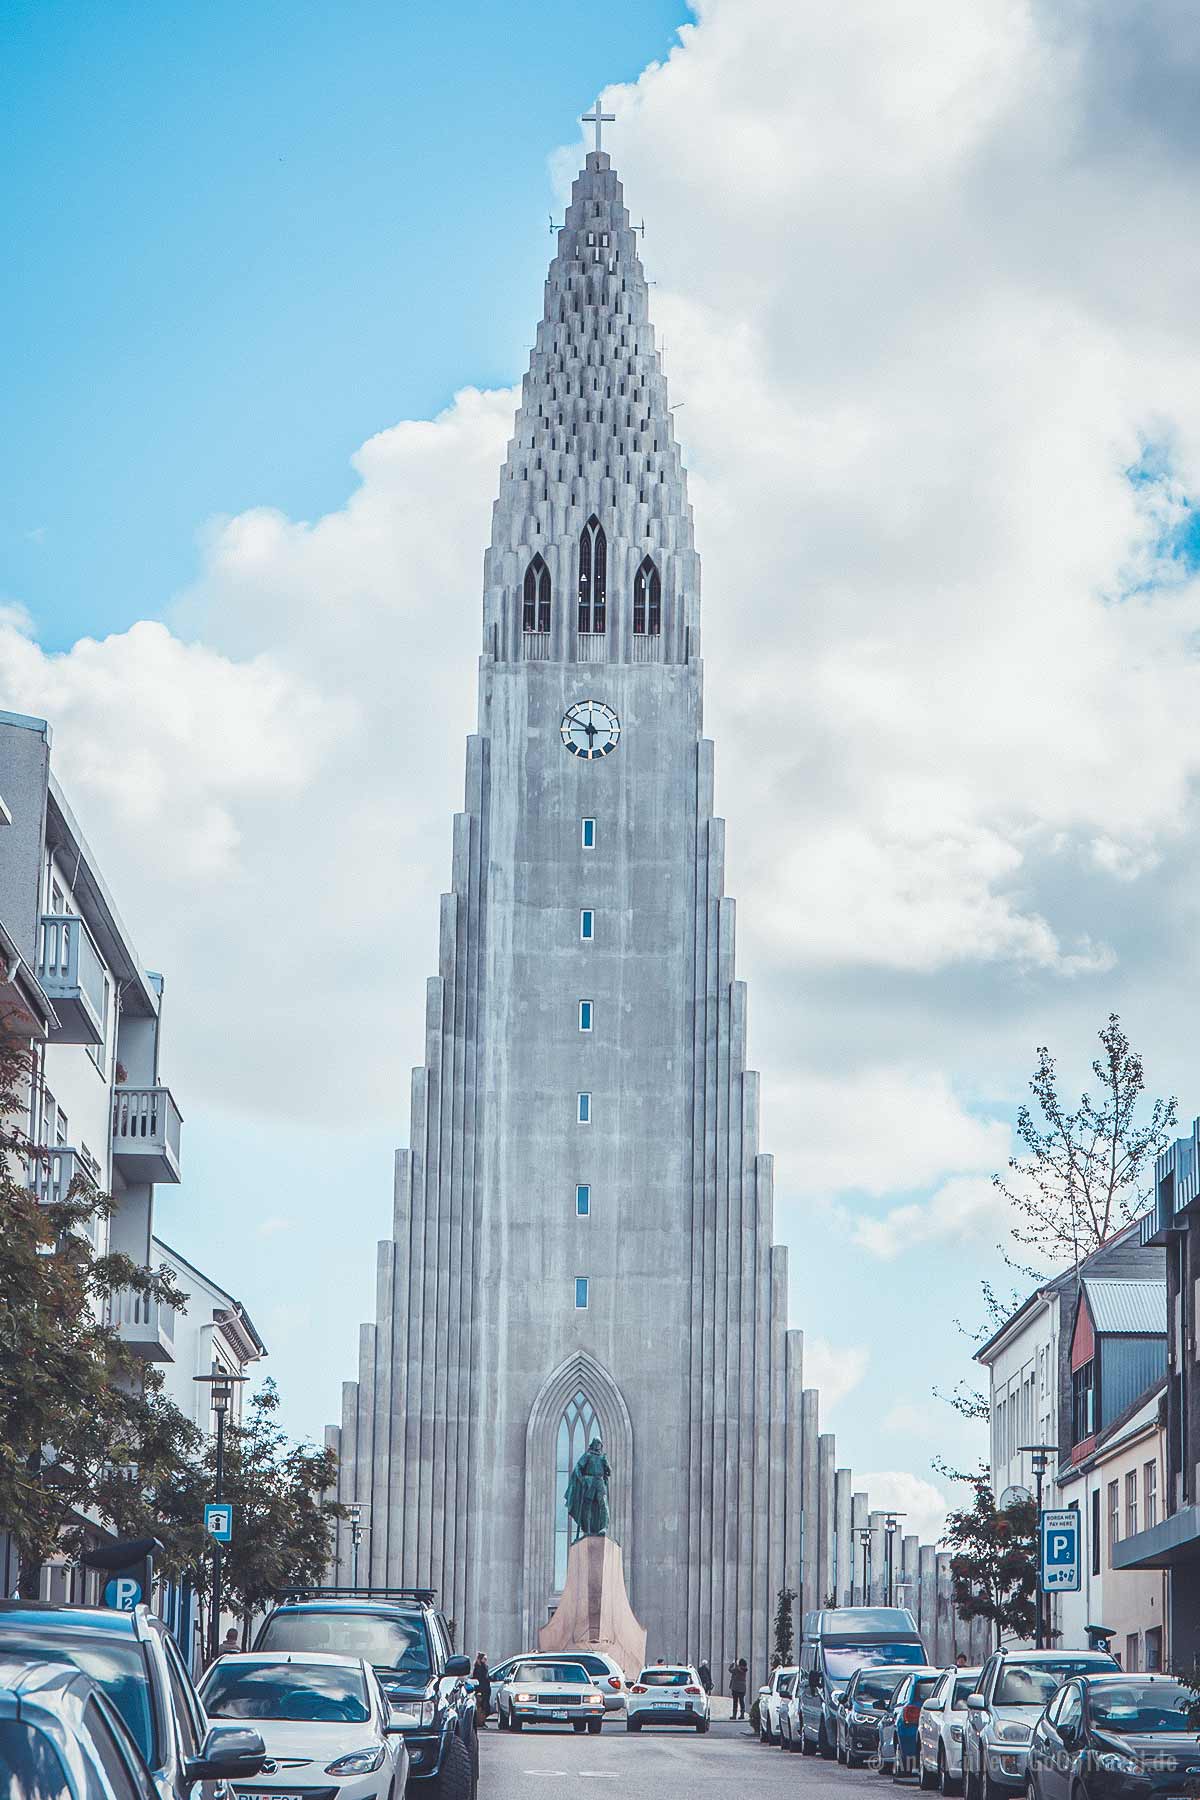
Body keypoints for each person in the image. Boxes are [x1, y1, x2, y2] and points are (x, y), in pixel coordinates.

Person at [472, 1653, 491, 1727]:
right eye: (484, 1659)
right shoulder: (479, 1668)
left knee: (485, 1707)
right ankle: (481, 1722)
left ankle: (482, 1721)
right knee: (482, 1706)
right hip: (481, 1689)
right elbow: (478, 1678)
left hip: (486, 1689)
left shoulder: (484, 1667)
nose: (485, 1660)